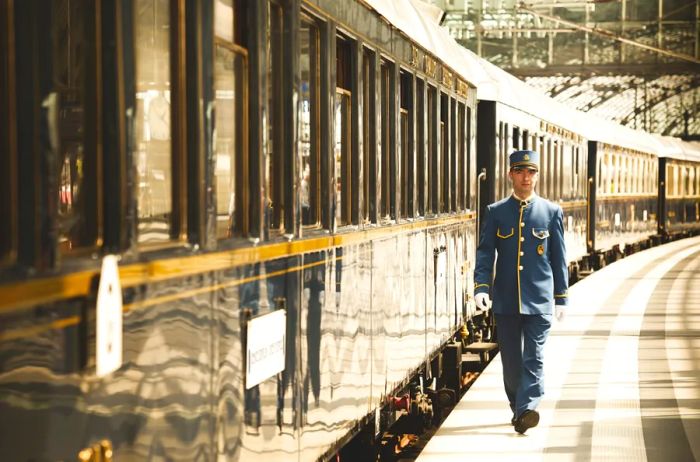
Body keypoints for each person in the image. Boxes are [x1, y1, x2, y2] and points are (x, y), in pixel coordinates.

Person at [473, 149, 568, 435]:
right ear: (510, 174)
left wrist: (561, 297)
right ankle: (519, 407)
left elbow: (558, 257)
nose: (526, 177)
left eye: (531, 172)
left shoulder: (552, 212)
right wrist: (481, 287)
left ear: (537, 176)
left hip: (539, 301)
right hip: (506, 300)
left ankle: (527, 409)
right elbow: (486, 253)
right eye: (520, 171)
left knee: (534, 357)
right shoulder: (496, 212)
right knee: (512, 362)